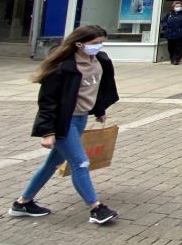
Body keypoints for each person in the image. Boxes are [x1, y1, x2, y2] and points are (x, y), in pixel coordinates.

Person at [9, 24, 120, 225]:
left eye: (101, 42)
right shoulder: (63, 68)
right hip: (64, 121)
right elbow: (47, 101)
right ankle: (96, 208)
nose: (99, 46)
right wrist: (47, 131)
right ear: (79, 44)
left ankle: (23, 202)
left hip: (81, 117)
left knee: (52, 163)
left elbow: (100, 88)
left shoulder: (100, 61)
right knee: (80, 162)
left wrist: (100, 110)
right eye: (94, 43)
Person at [160, 0, 182, 65]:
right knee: (171, 47)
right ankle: (172, 58)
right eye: (177, 6)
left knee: (179, 47)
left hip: (181, 32)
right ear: (173, 7)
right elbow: (164, 21)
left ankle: (176, 59)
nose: (178, 7)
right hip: (170, 33)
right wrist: (165, 26)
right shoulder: (170, 14)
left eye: (180, 6)